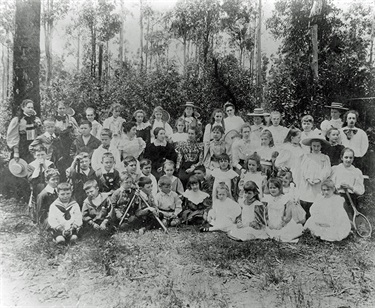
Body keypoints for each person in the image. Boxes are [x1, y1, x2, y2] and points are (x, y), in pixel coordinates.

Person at [299, 133, 331, 219]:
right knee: (306, 202)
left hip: (319, 184)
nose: (316, 148)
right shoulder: (306, 156)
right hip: (308, 183)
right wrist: (308, 178)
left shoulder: (325, 157)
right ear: (311, 146)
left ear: (321, 146)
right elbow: (303, 169)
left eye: (318, 146)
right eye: (314, 146)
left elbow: (327, 170)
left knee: (317, 203)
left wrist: (319, 179)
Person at [263, 178, 304, 243]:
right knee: (265, 231)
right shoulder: (269, 199)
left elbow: (288, 215)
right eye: (270, 188)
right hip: (272, 222)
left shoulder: (285, 199)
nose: (272, 190)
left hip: (283, 222)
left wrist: (282, 225)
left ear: (279, 188)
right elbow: (266, 213)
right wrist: (268, 223)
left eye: (274, 188)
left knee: (284, 234)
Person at [330, 148, 365, 219]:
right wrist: (338, 187)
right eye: (346, 157)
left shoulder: (356, 172)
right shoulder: (335, 169)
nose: (348, 160)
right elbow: (329, 186)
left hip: (350, 201)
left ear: (353, 158)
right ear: (341, 157)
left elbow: (361, 191)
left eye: (350, 158)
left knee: (349, 221)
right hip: (337, 198)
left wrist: (350, 187)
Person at [28, 146, 55, 213]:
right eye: (38, 155)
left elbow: (53, 175)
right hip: (36, 187)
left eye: (42, 154)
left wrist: (45, 166)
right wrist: (37, 169)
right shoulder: (31, 165)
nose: (40, 157)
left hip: (48, 186)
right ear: (35, 156)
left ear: (46, 154)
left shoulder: (50, 164)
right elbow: (30, 179)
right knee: (37, 203)